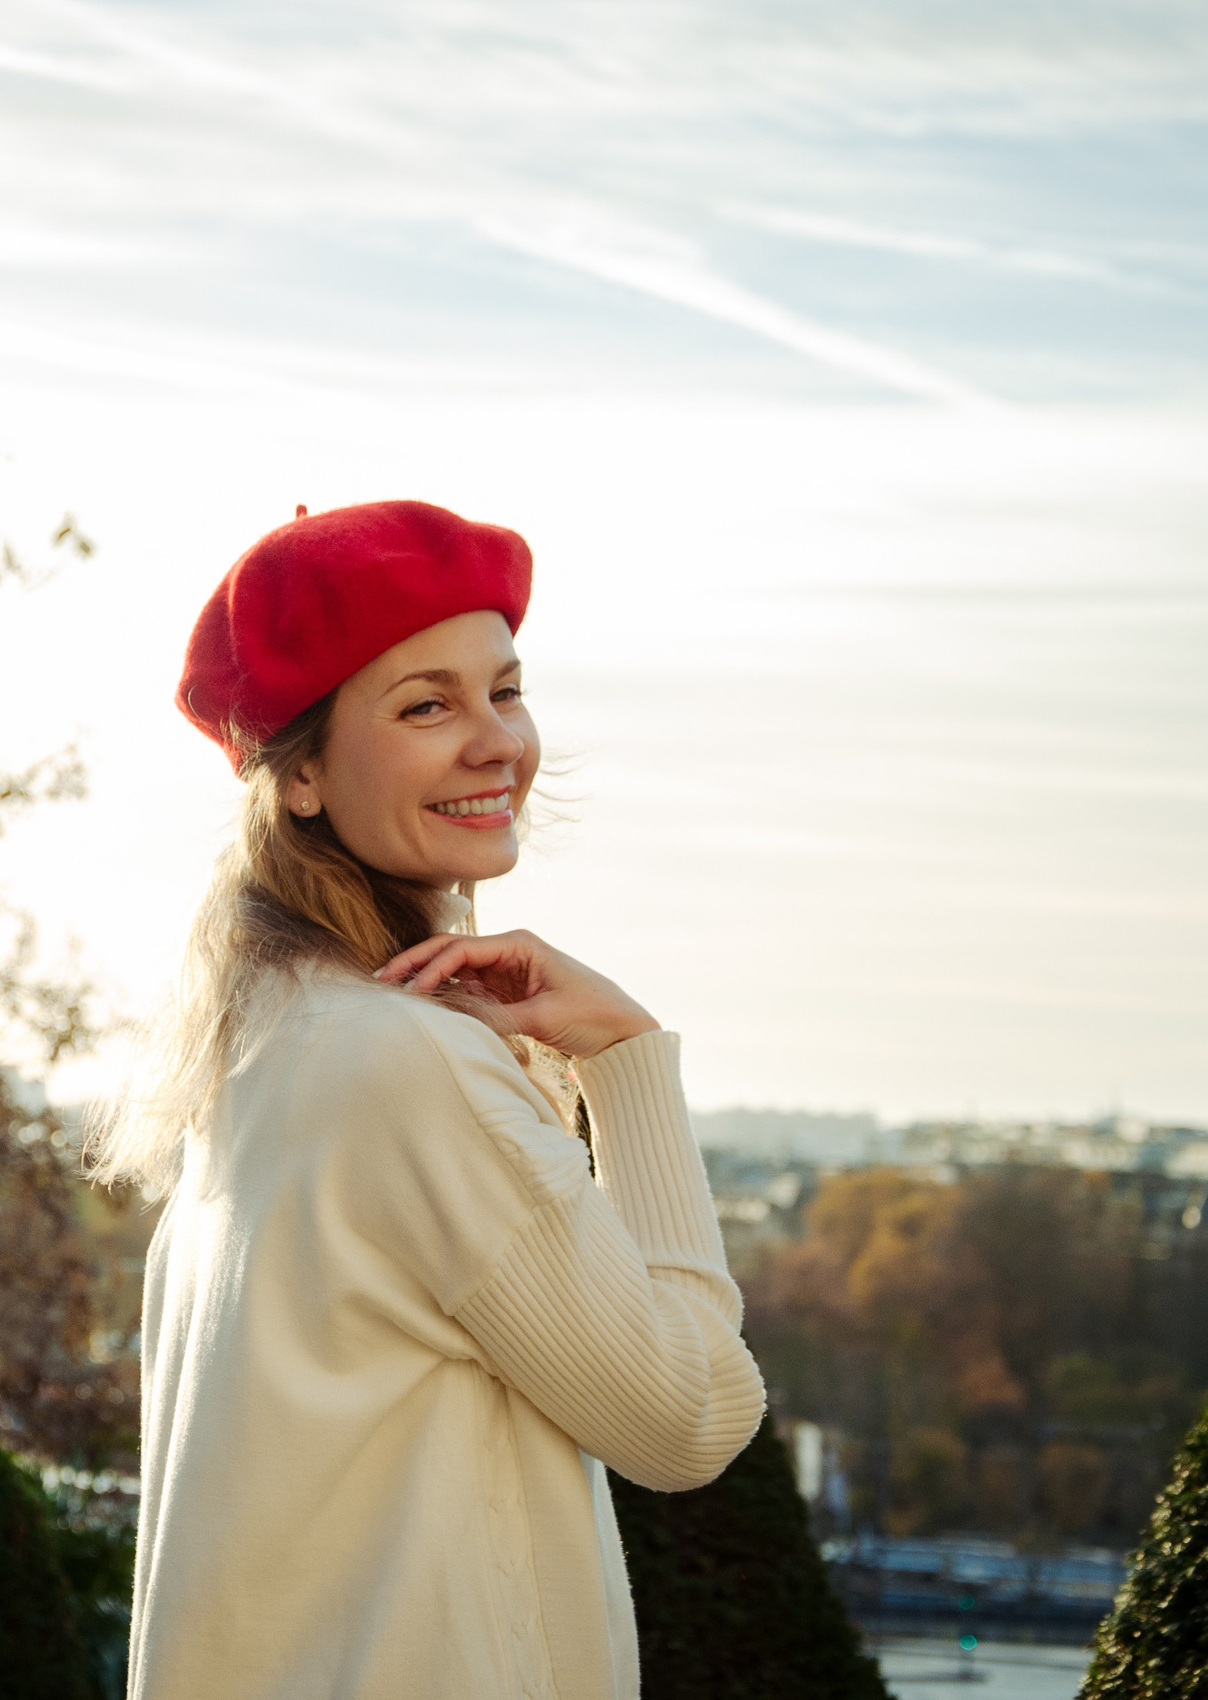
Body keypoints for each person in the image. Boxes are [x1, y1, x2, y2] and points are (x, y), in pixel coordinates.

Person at [92, 501, 765, 1698]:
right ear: (297, 774)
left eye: (504, 689)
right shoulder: (405, 1064)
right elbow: (691, 1417)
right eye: (425, 704)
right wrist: (626, 1058)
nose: (497, 740)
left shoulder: (255, 1053)